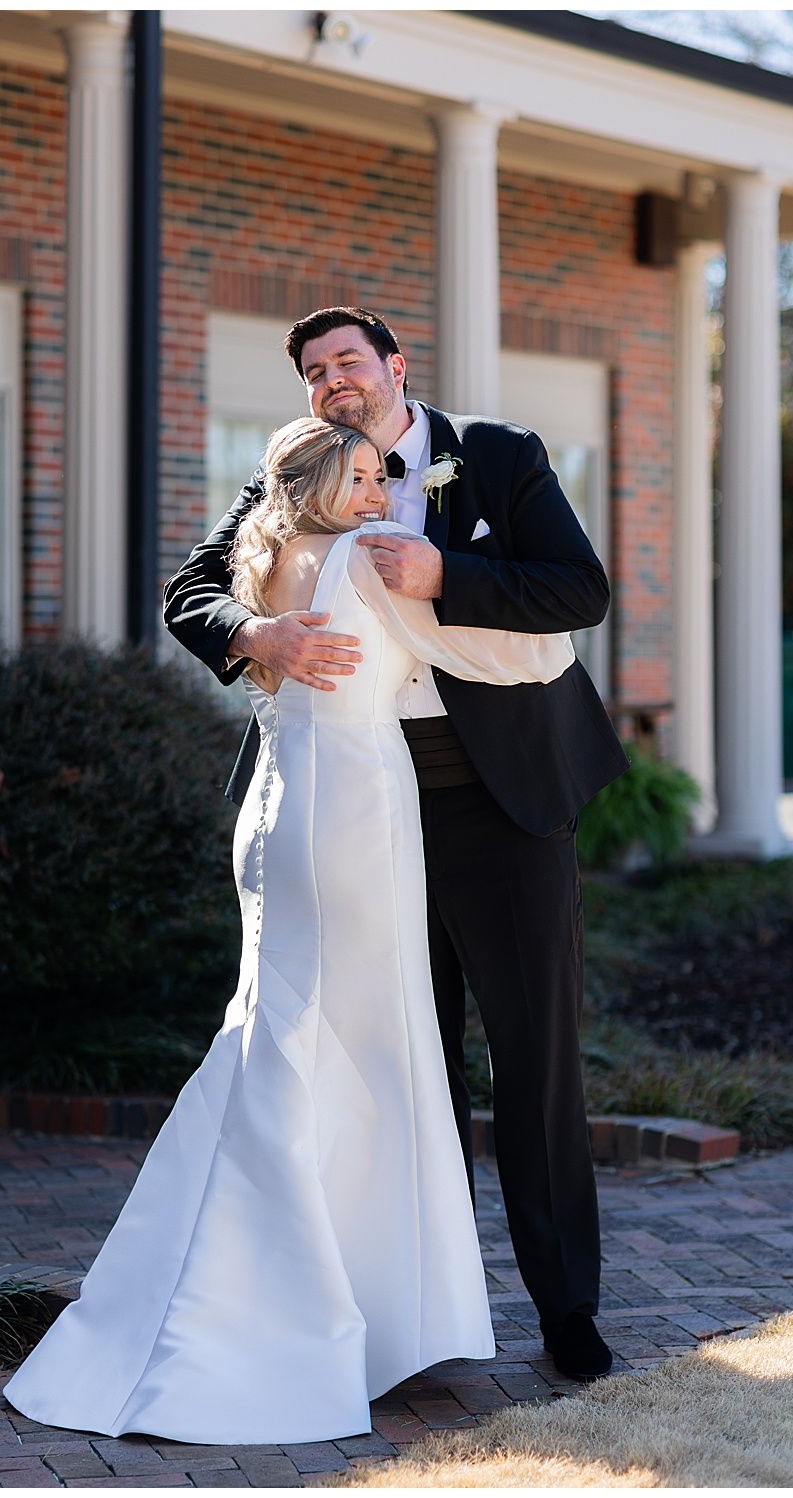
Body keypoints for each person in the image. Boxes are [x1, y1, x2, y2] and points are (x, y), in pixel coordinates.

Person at [3, 419, 575, 1444]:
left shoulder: (265, 553)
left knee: (281, 1027)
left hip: (275, 811)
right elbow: (512, 650)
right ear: (318, 481)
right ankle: (329, 1300)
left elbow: (209, 598)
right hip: (355, 816)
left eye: (376, 474)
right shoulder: (362, 558)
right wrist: (464, 584)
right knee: (368, 1040)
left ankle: (270, 1277)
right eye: (356, 477)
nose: (374, 490)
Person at [165, 307, 628, 1383]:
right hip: (353, 806)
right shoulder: (294, 477)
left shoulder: (498, 454)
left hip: (499, 801)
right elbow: (187, 590)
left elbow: (578, 590)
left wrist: (443, 578)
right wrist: (255, 633)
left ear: (393, 369)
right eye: (314, 371)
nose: (333, 382)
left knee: (534, 1059)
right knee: (392, 1061)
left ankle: (567, 1312)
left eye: (348, 362)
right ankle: (422, 1314)